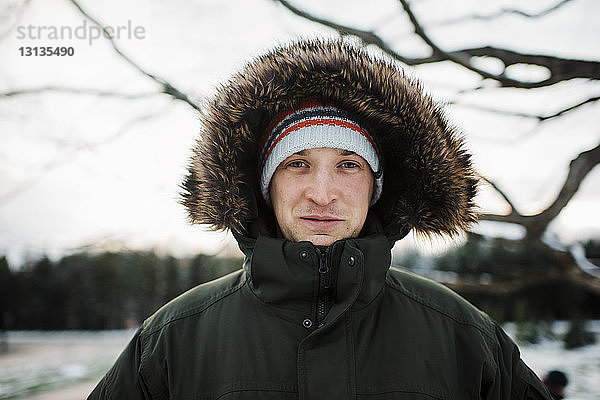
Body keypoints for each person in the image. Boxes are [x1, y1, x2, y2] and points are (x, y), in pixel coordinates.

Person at [88, 39, 552, 399]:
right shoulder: (174, 339)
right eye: (296, 164)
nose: (322, 193)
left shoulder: (463, 336)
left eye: (349, 164)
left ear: (378, 187)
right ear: (265, 185)